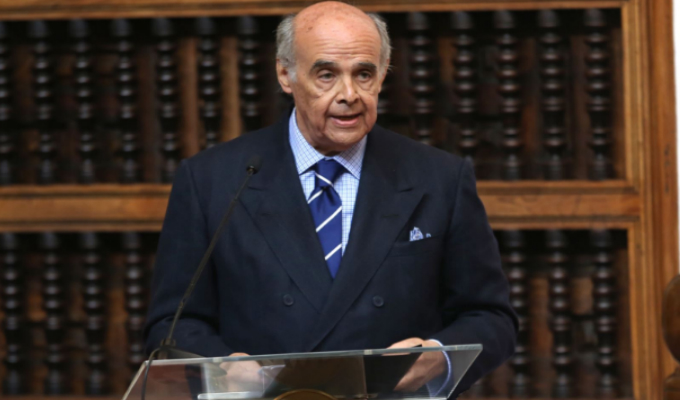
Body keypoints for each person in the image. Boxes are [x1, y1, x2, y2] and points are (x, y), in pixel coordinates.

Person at [144, 1, 517, 397]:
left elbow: (491, 317)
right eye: (326, 75)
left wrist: (437, 357)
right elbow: (172, 324)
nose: (349, 94)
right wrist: (221, 366)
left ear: (383, 75)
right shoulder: (212, 180)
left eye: (364, 74)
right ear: (285, 74)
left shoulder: (440, 178)